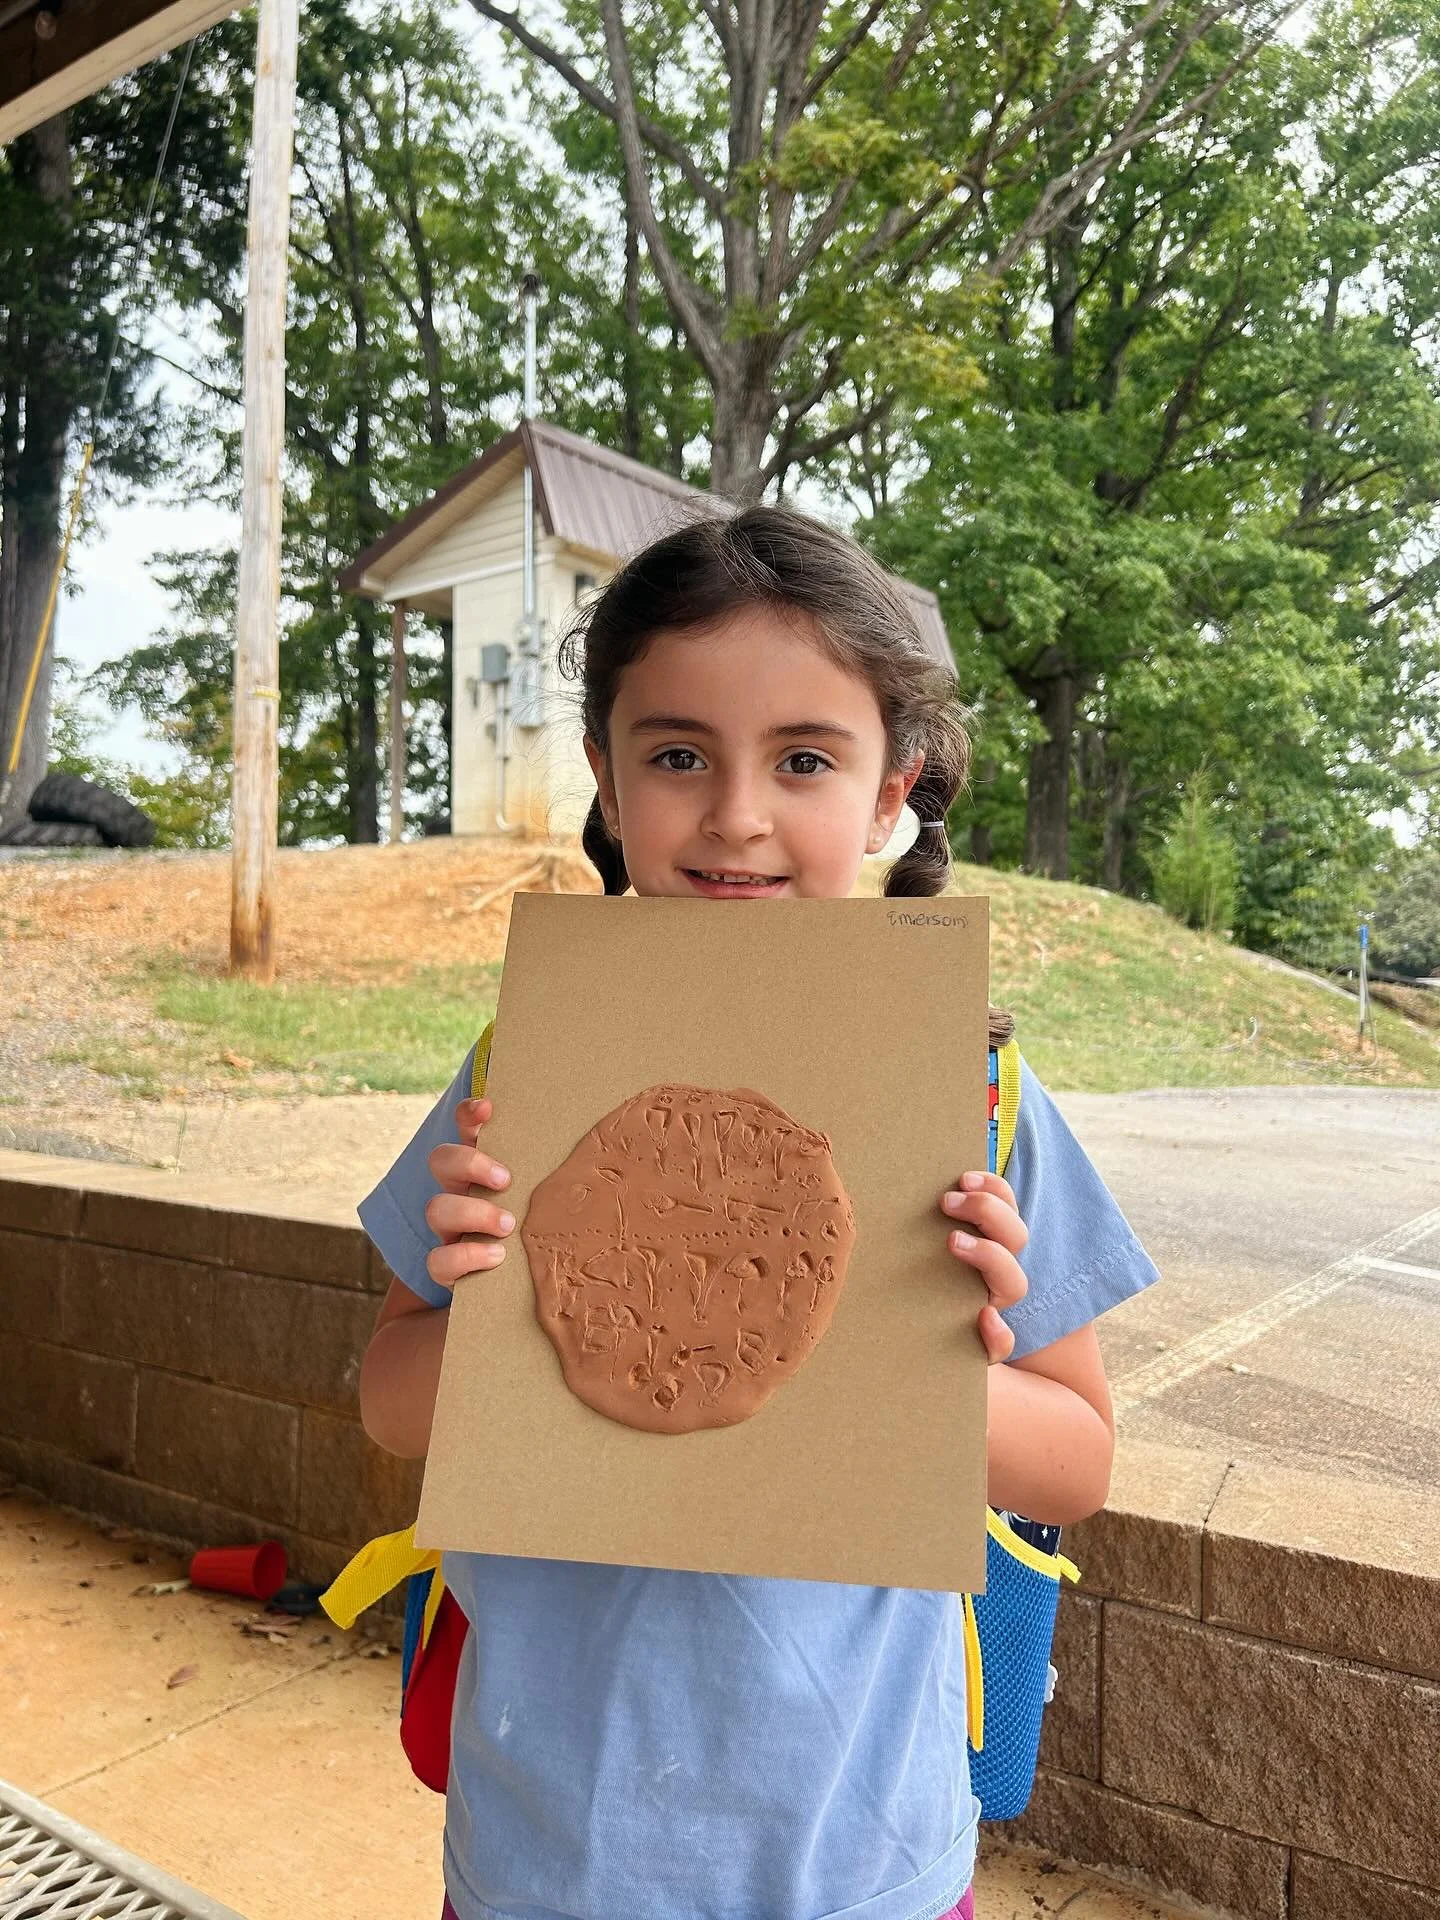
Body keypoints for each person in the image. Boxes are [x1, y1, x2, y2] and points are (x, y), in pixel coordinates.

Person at [357, 505, 1160, 1920]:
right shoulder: (521, 1079)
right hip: (550, 1852)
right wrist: (483, 1297)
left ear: (891, 784)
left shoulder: (979, 1102)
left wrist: (909, 1361)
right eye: (676, 755)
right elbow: (390, 1403)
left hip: (857, 1859)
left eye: (804, 758)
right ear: (605, 779)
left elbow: (1077, 1461)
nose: (736, 813)